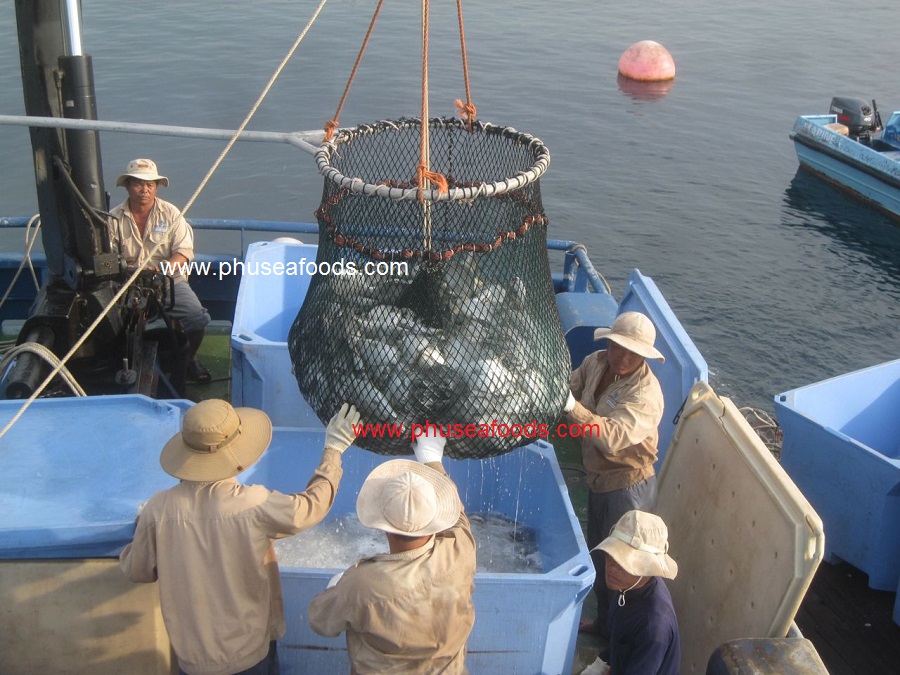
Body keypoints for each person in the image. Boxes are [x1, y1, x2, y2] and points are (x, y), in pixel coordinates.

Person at [119, 399, 361, 675]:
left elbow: (137, 570)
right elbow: (311, 507)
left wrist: (145, 530)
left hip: (192, 660)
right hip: (249, 655)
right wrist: (333, 451)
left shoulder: (158, 509)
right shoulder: (253, 503)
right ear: (235, 449)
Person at [308, 427, 476, 674]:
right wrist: (432, 459)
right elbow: (459, 519)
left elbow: (320, 622)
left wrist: (336, 589)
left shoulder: (361, 584)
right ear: (436, 518)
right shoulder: (460, 552)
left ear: (383, 527)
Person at [562, 310, 666, 639]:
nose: (622, 357)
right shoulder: (595, 362)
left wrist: (571, 408)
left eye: (632, 352)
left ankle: (618, 642)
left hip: (628, 489)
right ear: (608, 342)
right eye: (617, 347)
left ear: (644, 356)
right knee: (601, 556)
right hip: (599, 480)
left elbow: (613, 436)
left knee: (624, 569)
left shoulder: (646, 396)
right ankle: (604, 624)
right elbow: (571, 386)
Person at [109, 158, 212, 383]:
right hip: (127, 281)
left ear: (156, 187)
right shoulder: (113, 219)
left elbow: (183, 252)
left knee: (197, 318)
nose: (144, 190)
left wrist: (162, 269)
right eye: (138, 183)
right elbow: (107, 258)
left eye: (150, 184)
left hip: (167, 279)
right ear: (128, 186)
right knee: (107, 322)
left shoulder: (171, 213)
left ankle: (188, 359)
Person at [581, 510, 680, 675]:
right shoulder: (626, 587)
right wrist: (600, 665)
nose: (612, 566)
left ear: (646, 568)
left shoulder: (653, 626)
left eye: (623, 561)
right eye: (610, 555)